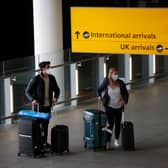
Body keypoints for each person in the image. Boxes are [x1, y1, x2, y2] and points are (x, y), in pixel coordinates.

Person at [25, 61, 60, 151]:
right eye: (47, 67)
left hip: (47, 106)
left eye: (49, 67)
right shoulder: (36, 79)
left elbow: (57, 89)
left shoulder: (52, 78)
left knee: (46, 124)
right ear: (43, 68)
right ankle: (39, 143)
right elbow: (27, 91)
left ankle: (44, 142)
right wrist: (33, 99)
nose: (49, 68)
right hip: (39, 107)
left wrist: (56, 97)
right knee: (38, 125)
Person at [97, 67, 129, 149]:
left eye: (117, 74)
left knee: (118, 123)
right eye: (115, 74)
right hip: (109, 106)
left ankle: (116, 140)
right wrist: (99, 96)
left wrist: (124, 101)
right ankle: (108, 141)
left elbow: (126, 94)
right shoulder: (106, 81)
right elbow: (99, 89)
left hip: (119, 106)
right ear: (110, 74)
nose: (116, 75)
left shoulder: (120, 83)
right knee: (110, 124)